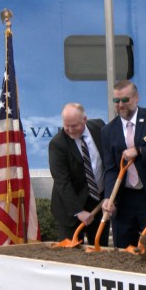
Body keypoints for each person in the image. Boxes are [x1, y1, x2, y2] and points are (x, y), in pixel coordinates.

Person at [101, 80, 146, 248]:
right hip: (125, 199)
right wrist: (109, 197)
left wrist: (140, 151)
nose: (120, 105)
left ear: (136, 98)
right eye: (116, 101)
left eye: (125, 100)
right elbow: (111, 169)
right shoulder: (108, 131)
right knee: (124, 250)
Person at [48, 103, 107, 245]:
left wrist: (109, 196)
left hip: (98, 204)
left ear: (84, 120)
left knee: (101, 250)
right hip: (71, 209)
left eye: (74, 126)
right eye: (66, 125)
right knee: (71, 255)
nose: (70, 130)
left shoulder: (99, 127)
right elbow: (62, 182)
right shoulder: (57, 144)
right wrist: (78, 211)